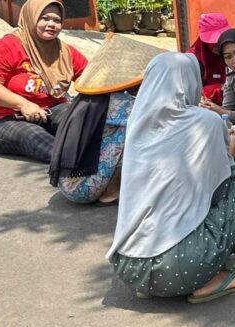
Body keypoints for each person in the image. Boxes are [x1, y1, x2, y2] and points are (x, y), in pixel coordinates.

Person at [106, 52, 235, 303]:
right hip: (177, 269)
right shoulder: (205, 122)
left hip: (130, 269)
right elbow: (220, 188)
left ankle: (158, 284)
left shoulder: (138, 122)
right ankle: (206, 280)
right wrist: (230, 150)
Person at [48, 33, 160, 204]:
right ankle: (112, 191)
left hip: (67, 179)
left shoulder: (93, 97)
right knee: (142, 129)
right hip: (83, 185)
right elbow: (157, 119)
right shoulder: (120, 102)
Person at [0, 0, 87, 163]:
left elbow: (91, 78)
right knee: (40, 140)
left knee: (85, 124)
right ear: (30, 18)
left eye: (57, 20)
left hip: (49, 111)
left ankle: (104, 161)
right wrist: (23, 104)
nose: (52, 24)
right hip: (4, 118)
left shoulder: (65, 52)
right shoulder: (8, 45)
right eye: (44, 18)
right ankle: (82, 166)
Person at [186, 13, 231, 105]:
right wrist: (221, 89)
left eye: (222, 39)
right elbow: (188, 92)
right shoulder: (191, 60)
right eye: (215, 41)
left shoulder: (230, 50)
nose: (219, 44)